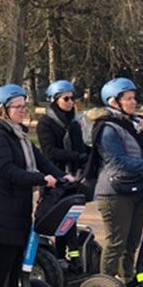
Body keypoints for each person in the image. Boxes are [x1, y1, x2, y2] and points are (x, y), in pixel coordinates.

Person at [0, 84, 64, 287]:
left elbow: (41, 160)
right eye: (17, 107)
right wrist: (40, 178)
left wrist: (63, 177)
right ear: (2, 110)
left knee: (18, 258)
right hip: (3, 208)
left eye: (23, 106)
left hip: (18, 206)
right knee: (5, 259)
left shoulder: (20, 135)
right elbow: (7, 170)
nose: (22, 110)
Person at [82, 77, 143, 280]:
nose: (134, 102)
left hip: (136, 187)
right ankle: (104, 286)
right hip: (115, 192)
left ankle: (128, 282)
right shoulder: (108, 128)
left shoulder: (132, 123)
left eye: (134, 98)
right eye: (129, 99)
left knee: (132, 243)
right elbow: (118, 161)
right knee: (116, 242)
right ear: (114, 102)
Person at [36, 80, 89, 267]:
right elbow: (49, 152)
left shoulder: (73, 122)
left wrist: (88, 155)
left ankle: (72, 256)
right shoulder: (45, 123)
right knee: (57, 216)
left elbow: (81, 145)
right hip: (54, 175)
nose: (70, 102)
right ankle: (57, 257)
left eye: (72, 98)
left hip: (72, 175)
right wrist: (78, 156)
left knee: (70, 216)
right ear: (54, 99)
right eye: (66, 98)